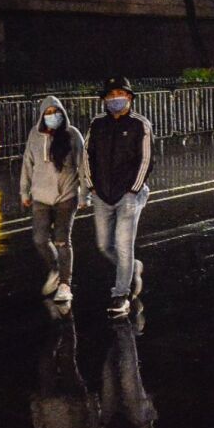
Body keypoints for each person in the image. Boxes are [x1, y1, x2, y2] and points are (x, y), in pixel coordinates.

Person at [81, 77, 153, 318]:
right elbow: (86, 156)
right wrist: (91, 186)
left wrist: (133, 189)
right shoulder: (97, 124)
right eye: (110, 96)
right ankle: (133, 268)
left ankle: (120, 294)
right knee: (104, 245)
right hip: (102, 194)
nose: (115, 100)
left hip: (128, 195)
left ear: (130, 97)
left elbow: (146, 159)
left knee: (124, 245)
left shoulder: (139, 124)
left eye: (120, 94)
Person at [20, 96, 86, 304]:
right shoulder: (35, 134)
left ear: (62, 113)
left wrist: (85, 193)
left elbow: (83, 166)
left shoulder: (72, 135)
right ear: (41, 115)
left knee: (62, 240)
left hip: (66, 195)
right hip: (40, 196)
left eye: (55, 112)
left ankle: (65, 284)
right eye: (47, 113)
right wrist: (24, 191)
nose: (52, 116)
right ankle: (56, 268)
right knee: (40, 239)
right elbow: (27, 163)